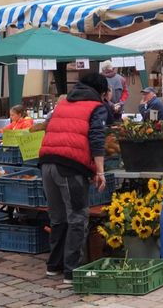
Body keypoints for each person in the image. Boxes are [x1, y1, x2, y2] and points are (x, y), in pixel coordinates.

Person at [38, 72, 108, 284]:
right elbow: (97, 139)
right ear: (101, 91)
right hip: (70, 167)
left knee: (58, 218)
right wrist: (100, 171)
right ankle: (72, 270)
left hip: (47, 162)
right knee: (78, 217)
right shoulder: (95, 107)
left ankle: (54, 265)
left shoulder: (64, 103)